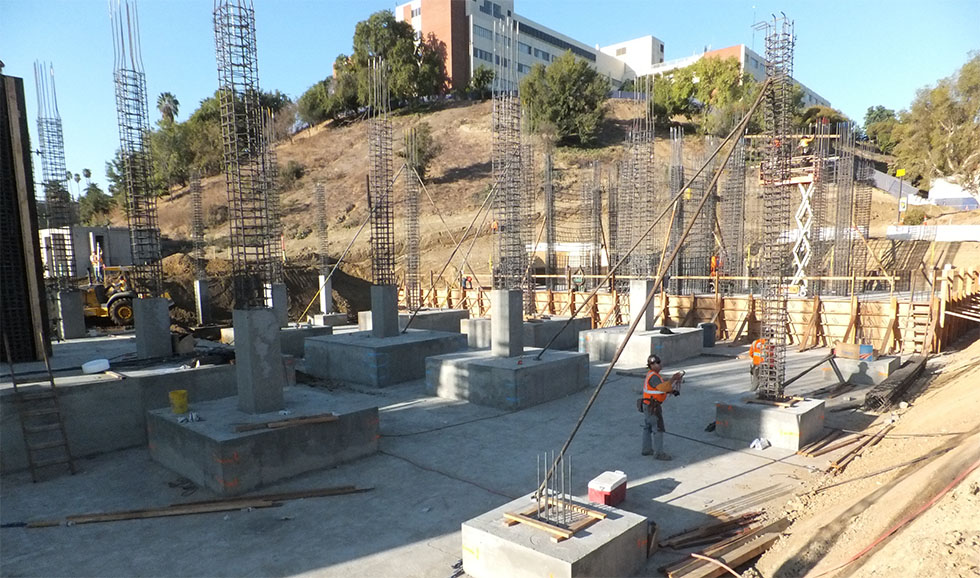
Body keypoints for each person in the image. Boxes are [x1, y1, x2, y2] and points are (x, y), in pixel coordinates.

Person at [641, 354, 684, 460]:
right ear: (652, 365)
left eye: (660, 362)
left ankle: (646, 449)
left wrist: (672, 391)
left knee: (648, 427)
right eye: (658, 363)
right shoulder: (654, 376)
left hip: (648, 405)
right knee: (658, 429)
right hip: (653, 407)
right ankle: (659, 453)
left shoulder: (652, 374)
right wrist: (673, 378)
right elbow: (662, 387)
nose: (660, 365)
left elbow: (659, 389)